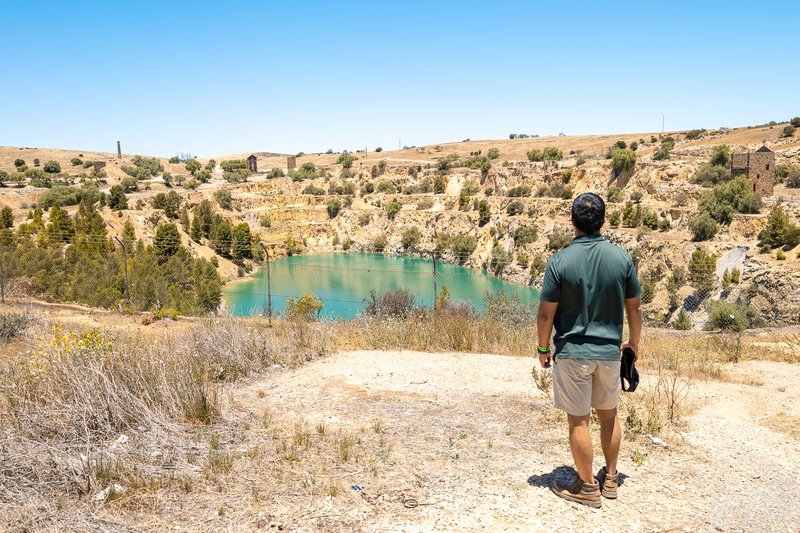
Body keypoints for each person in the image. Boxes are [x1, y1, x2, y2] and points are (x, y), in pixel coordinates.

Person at [535, 192, 643, 509]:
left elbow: (545, 314)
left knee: (578, 421)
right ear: (603, 220)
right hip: (609, 354)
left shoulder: (560, 261)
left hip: (572, 353)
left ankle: (586, 487)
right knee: (609, 418)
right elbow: (635, 309)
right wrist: (633, 345)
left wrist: (543, 346)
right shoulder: (621, 258)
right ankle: (610, 479)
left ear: (573, 221)